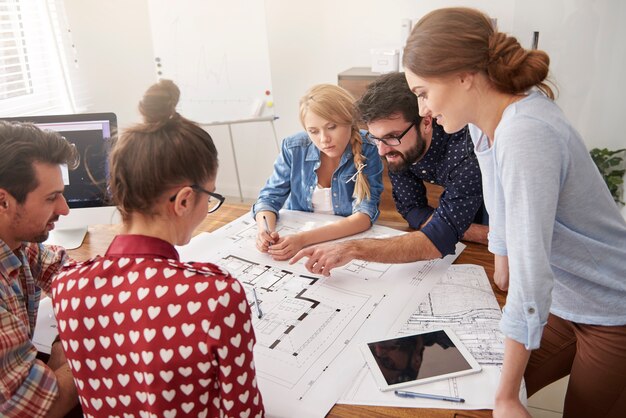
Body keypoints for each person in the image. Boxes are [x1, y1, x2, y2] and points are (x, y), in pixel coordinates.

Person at [402, 7, 626, 418]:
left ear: (463, 76)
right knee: (483, 401)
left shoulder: (526, 133)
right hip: (567, 297)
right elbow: (498, 193)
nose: (423, 111)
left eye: (422, 93)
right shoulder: (488, 120)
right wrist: (500, 255)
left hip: (614, 310)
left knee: (534, 403)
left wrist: (508, 396)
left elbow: (531, 272)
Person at [51, 80, 265, 417]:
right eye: (210, 196)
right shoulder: (216, 296)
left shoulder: (67, 286)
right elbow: (245, 413)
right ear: (183, 200)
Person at [0, 121, 79, 417]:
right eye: (51, 198)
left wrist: (61, 351)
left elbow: (64, 272)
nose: (64, 209)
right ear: (3, 201)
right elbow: (42, 408)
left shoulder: (17, 241)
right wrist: (80, 347)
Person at [252, 84, 383, 260]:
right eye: (313, 131)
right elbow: (269, 199)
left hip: (341, 243)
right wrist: (264, 231)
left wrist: (303, 239)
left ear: (349, 120)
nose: (323, 139)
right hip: (294, 238)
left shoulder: (368, 146)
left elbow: (365, 216)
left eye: (332, 127)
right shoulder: (293, 147)